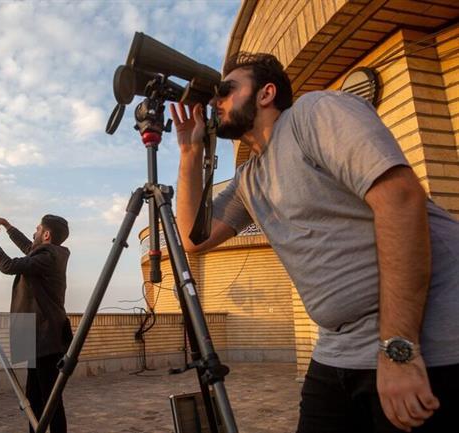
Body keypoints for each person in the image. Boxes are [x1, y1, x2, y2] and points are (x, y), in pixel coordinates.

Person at [170, 52, 459, 432]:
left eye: (226, 90)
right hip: (339, 347)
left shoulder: (314, 112)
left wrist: (399, 350)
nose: (215, 101)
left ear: (265, 94)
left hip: (426, 338)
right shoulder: (248, 178)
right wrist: (190, 153)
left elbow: (401, 198)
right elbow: (194, 239)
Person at [0, 215, 71, 433]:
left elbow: (8, 266)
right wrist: (8, 226)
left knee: (50, 400)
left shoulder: (48, 257)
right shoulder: (48, 253)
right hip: (38, 335)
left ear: (46, 235)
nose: (34, 232)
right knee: (35, 399)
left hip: (46, 336)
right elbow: (29, 247)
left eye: (37, 229)